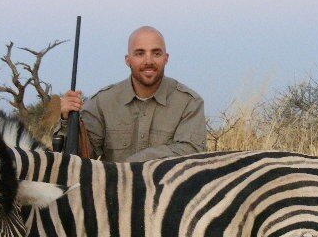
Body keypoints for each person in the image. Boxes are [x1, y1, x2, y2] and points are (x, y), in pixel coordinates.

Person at [55, 26, 206, 162]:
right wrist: (66, 120)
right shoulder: (103, 102)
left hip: (167, 191)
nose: (149, 60)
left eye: (156, 53)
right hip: (115, 190)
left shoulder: (189, 103)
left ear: (166, 58)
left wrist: (134, 163)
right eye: (140, 53)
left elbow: (191, 153)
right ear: (128, 60)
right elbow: (79, 156)